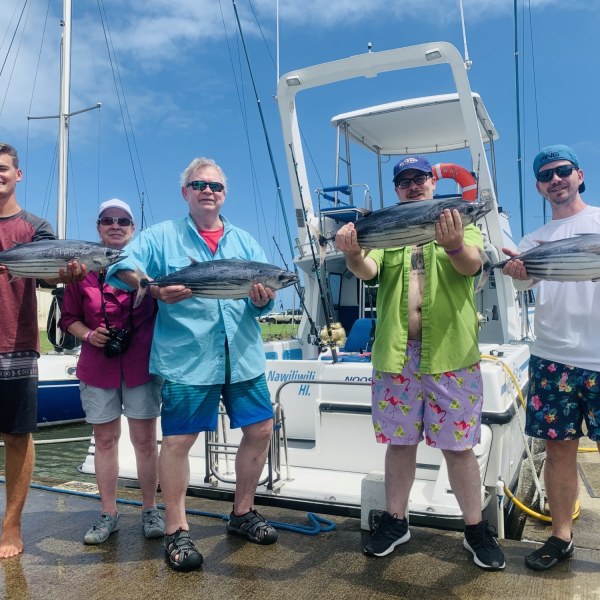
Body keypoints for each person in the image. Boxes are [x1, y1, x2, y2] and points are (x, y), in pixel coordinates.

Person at [104, 157, 278, 572]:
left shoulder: (246, 242)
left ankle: (242, 512)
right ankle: (177, 530)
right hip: (188, 359)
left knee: (261, 429)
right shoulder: (162, 236)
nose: (208, 191)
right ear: (185, 193)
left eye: (215, 186)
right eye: (199, 185)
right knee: (180, 441)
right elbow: (118, 265)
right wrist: (151, 288)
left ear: (224, 194)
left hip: (243, 357)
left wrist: (263, 300)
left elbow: (266, 301)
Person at [335, 155, 505, 570]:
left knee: (459, 447)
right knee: (400, 442)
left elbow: (472, 265)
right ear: (397, 189)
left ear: (433, 182)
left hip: (450, 354)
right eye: (404, 180)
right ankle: (396, 521)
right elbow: (367, 268)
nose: (413, 185)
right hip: (396, 356)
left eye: (420, 178)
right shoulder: (390, 227)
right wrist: (352, 253)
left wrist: (452, 243)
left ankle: (475, 528)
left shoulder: (461, 224)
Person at [501, 144, 599, 571]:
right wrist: (516, 271)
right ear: (540, 187)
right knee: (558, 451)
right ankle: (561, 537)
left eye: (561, 171)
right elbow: (522, 285)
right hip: (552, 357)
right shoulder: (532, 241)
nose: (555, 180)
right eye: (545, 176)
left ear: (578, 174)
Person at [59, 199, 165, 545]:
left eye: (123, 221)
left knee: (146, 441)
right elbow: (69, 319)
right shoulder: (80, 270)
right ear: (98, 227)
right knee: (104, 441)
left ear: (133, 229)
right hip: (97, 365)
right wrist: (90, 334)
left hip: (140, 364)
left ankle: (150, 508)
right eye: (107, 220)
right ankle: (108, 513)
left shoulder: (149, 266)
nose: (115, 225)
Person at [0, 142, 85, 558]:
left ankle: (11, 525)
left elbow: (51, 281)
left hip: (15, 345)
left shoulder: (37, 228)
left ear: (18, 174)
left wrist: (68, 275)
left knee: (18, 436)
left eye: (3, 168)